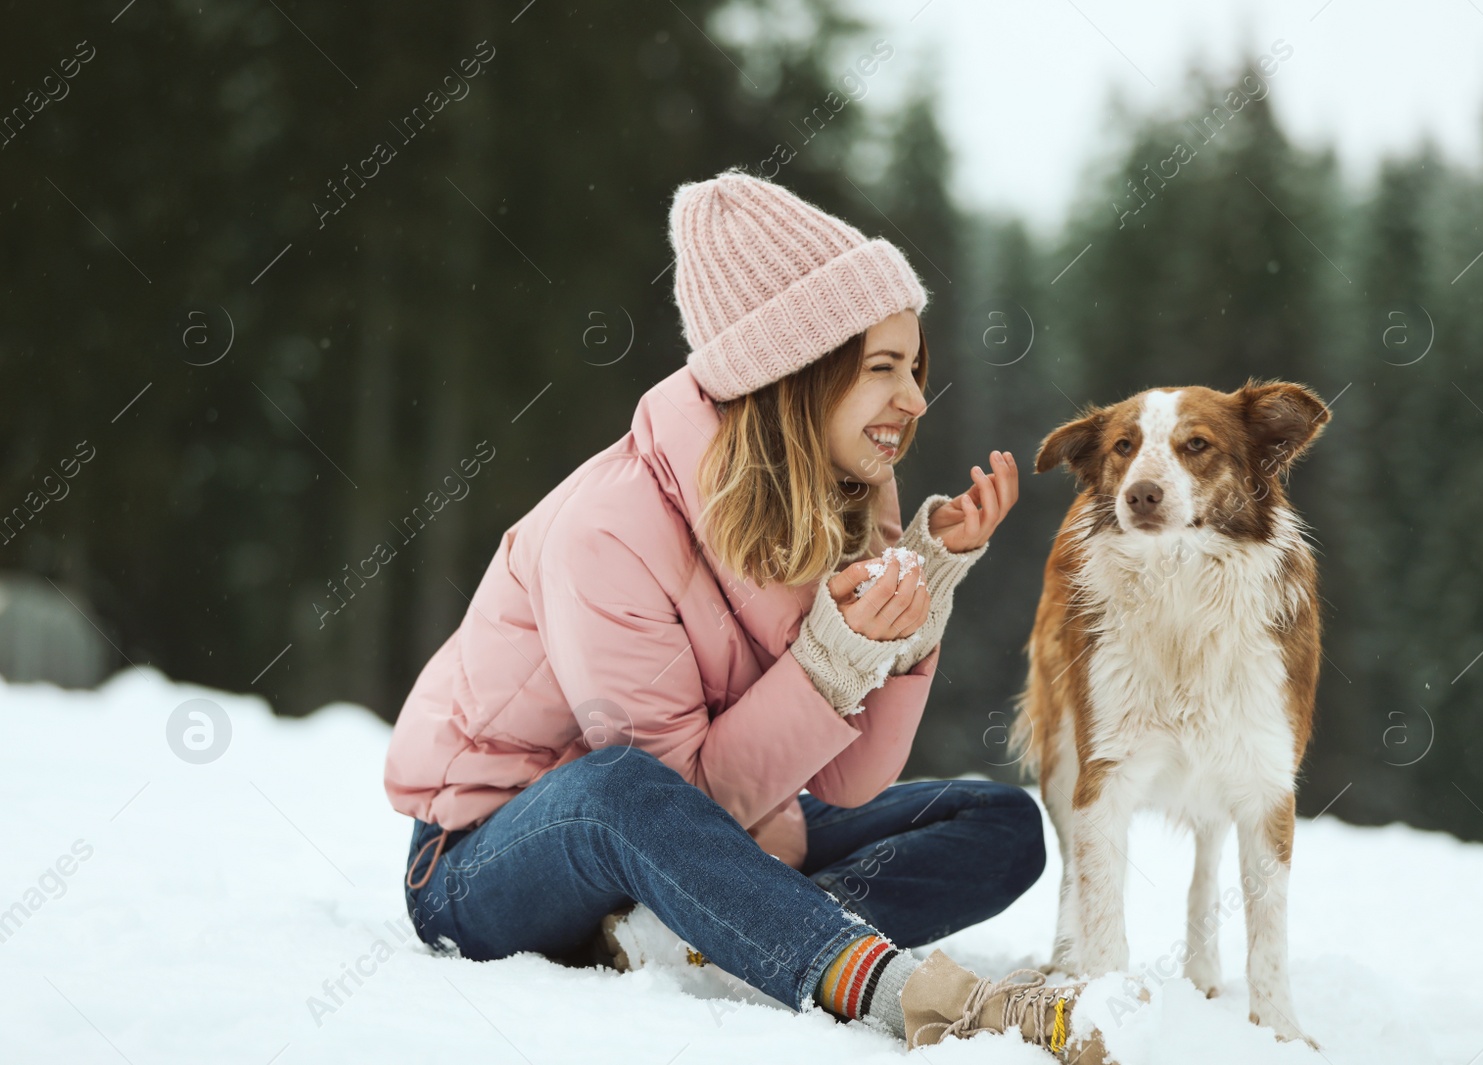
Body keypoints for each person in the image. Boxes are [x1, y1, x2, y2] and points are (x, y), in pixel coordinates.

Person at [382, 169, 1109, 1060]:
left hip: (718, 825)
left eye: (915, 368)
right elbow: (678, 802)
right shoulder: (607, 529)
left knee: (999, 824)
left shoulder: (843, 492)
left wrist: (921, 587)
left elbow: (846, 781)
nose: (916, 399)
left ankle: (705, 940)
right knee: (619, 784)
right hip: (489, 855)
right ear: (793, 373)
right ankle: (899, 990)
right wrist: (834, 661)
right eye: (883, 368)